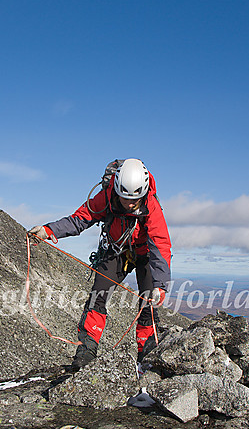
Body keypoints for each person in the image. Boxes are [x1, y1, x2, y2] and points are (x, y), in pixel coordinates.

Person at [29, 158, 172, 370]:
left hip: (144, 255)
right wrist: (49, 230)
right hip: (116, 252)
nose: (131, 204)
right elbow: (80, 219)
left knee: (147, 303)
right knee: (98, 296)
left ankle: (147, 353)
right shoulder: (106, 196)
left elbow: (159, 244)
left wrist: (160, 285)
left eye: (135, 199)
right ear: (116, 189)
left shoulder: (151, 204)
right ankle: (86, 352)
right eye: (125, 198)